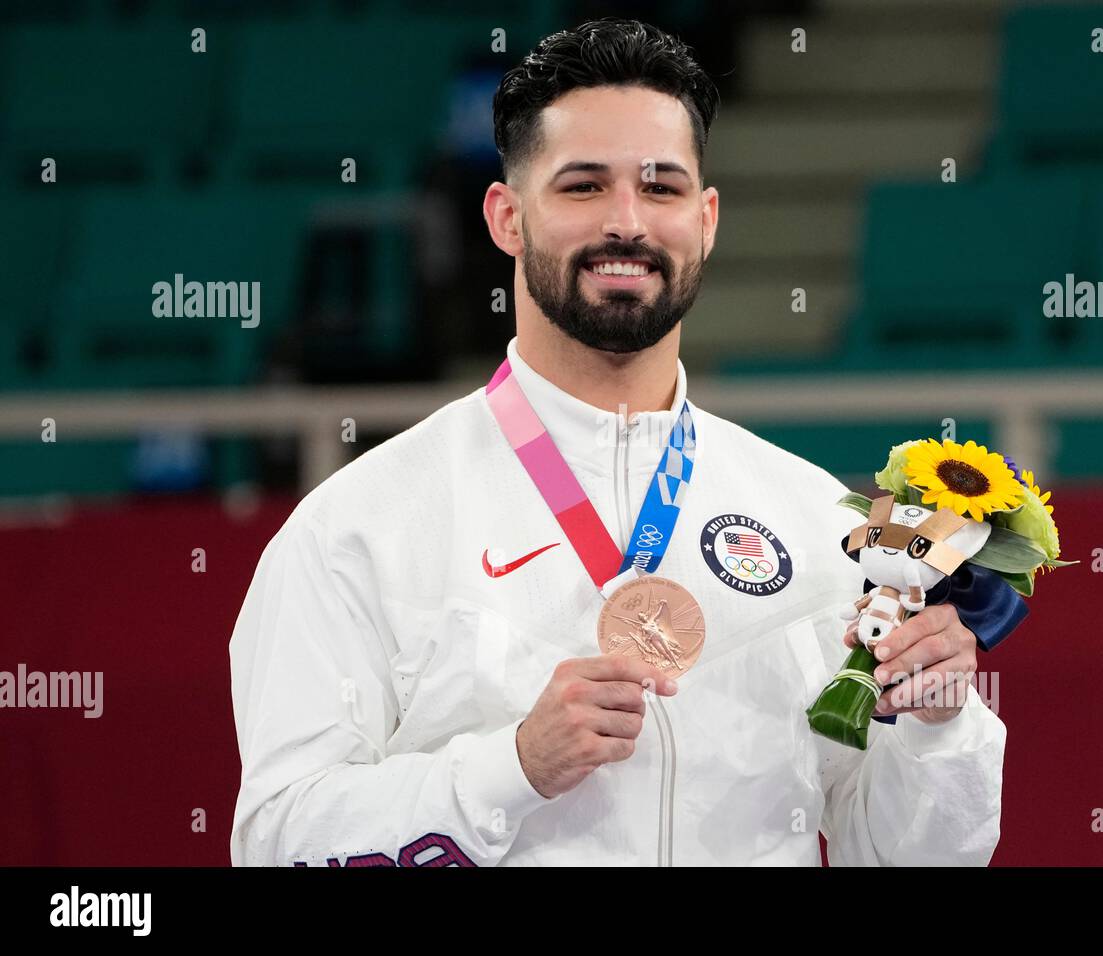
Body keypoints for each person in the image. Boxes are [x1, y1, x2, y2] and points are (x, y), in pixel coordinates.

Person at [229, 17, 1019, 867]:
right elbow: (277, 841)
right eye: (582, 186)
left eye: (662, 187)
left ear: (706, 220)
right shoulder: (358, 527)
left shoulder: (816, 520)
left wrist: (939, 727)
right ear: (507, 218)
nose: (627, 223)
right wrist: (510, 768)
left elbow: (907, 856)